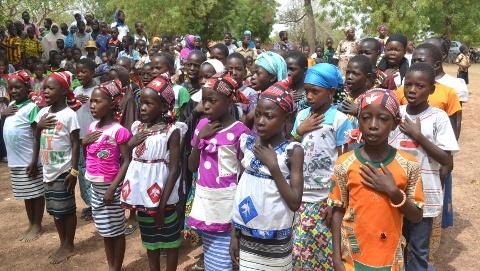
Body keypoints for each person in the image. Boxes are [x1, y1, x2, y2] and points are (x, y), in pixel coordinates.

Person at [329, 88, 424, 271]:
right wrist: (336, 259)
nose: (373, 125)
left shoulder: (408, 165)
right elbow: (338, 210)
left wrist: (394, 192)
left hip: (389, 260)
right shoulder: (345, 163)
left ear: (395, 123)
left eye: (383, 118)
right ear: (358, 120)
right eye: (365, 117)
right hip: (352, 259)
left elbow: (417, 216)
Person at [389, 63, 459, 271]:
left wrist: (418, 136)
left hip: (423, 197)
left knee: (418, 250)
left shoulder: (439, 117)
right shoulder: (395, 113)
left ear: (432, 89)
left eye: (419, 86)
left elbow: (446, 160)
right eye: (408, 84)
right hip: (393, 193)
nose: (412, 90)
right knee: (393, 245)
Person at [230, 78, 304, 270]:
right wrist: (234, 234)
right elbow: (242, 191)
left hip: (275, 240)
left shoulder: (292, 151)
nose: (260, 121)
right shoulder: (248, 144)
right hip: (246, 236)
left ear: (287, 119)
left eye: (269, 116)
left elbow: (295, 202)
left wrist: (273, 167)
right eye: (258, 114)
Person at [121, 76, 187, 271]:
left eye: (149, 103)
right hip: (142, 196)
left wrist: (161, 205)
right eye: (142, 102)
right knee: (150, 239)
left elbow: (174, 169)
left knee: (170, 240)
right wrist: (132, 142)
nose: (142, 107)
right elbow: (126, 155)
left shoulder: (171, 131)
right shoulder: (138, 128)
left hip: (163, 197)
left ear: (163, 106)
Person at [290, 63, 351, 270]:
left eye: (315, 91)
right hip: (299, 197)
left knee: (324, 251)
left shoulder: (340, 120)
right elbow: (289, 149)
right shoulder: (301, 116)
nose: (309, 96)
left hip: (325, 198)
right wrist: (300, 130)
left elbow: (344, 163)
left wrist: (334, 200)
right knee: (299, 251)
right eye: (306, 90)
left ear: (331, 92)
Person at [187, 74, 250, 271]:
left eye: (211, 101)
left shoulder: (240, 132)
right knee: (212, 256)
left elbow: (245, 173)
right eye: (203, 100)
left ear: (230, 100)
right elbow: (191, 166)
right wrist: (199, 141)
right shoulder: (202, 125)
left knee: (227, 259)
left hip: (229, 204)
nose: (205, 106)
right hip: (207, 202)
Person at [31, 71, 80, 264]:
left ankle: (69, 244)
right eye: (44, 88)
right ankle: (63, 242)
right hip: (47, 171)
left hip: (63, 171)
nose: (45, 92)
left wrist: (74, 171)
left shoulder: (69, 115)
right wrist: (39, 127)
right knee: (55, 211)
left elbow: (76, 144)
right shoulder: (42, 113)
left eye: (51, 88)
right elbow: (36, 138)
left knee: (67, 209)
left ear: (63, 91)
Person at [83, 80, 131, 271]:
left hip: (111, 188)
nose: (92, 105)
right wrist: (85, 143)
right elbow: (90, 156)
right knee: (105, 230)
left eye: (97, 101)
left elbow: (126, 160)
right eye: (91, 101)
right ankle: (111, 265)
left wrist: (113, 188)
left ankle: (116, 267)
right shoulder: (93, 127)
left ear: (111, 104)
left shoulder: (118, 131)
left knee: (117, 231)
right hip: (95, 188)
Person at [2, 70, 44, 242]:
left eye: (17, 87)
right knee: (25, 194)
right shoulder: (11, 106)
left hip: (29, 160)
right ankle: (31, 222)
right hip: (15, 161)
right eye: (11, 88)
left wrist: (34, 160)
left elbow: (36, 135)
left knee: (36, 193)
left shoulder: (31, 107)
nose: (13, 91)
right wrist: (3, 114)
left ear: (27, 87)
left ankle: (37, 224)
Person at [74, 58, 98, 221]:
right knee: (82, 172)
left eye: (84, 71)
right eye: (78, 71)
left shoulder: (97, 90)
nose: (80, 74)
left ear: (93, 72)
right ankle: (91, 204)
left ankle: (96, 206)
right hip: (79, 138)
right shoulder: (76, 90)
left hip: (94, 138)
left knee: (94, 172)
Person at [226, 53, 257, 117]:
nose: (234, 73)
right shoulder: (221, 91)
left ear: (245, 73)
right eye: (230, 69)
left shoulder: (251, 94)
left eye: (238, 69)